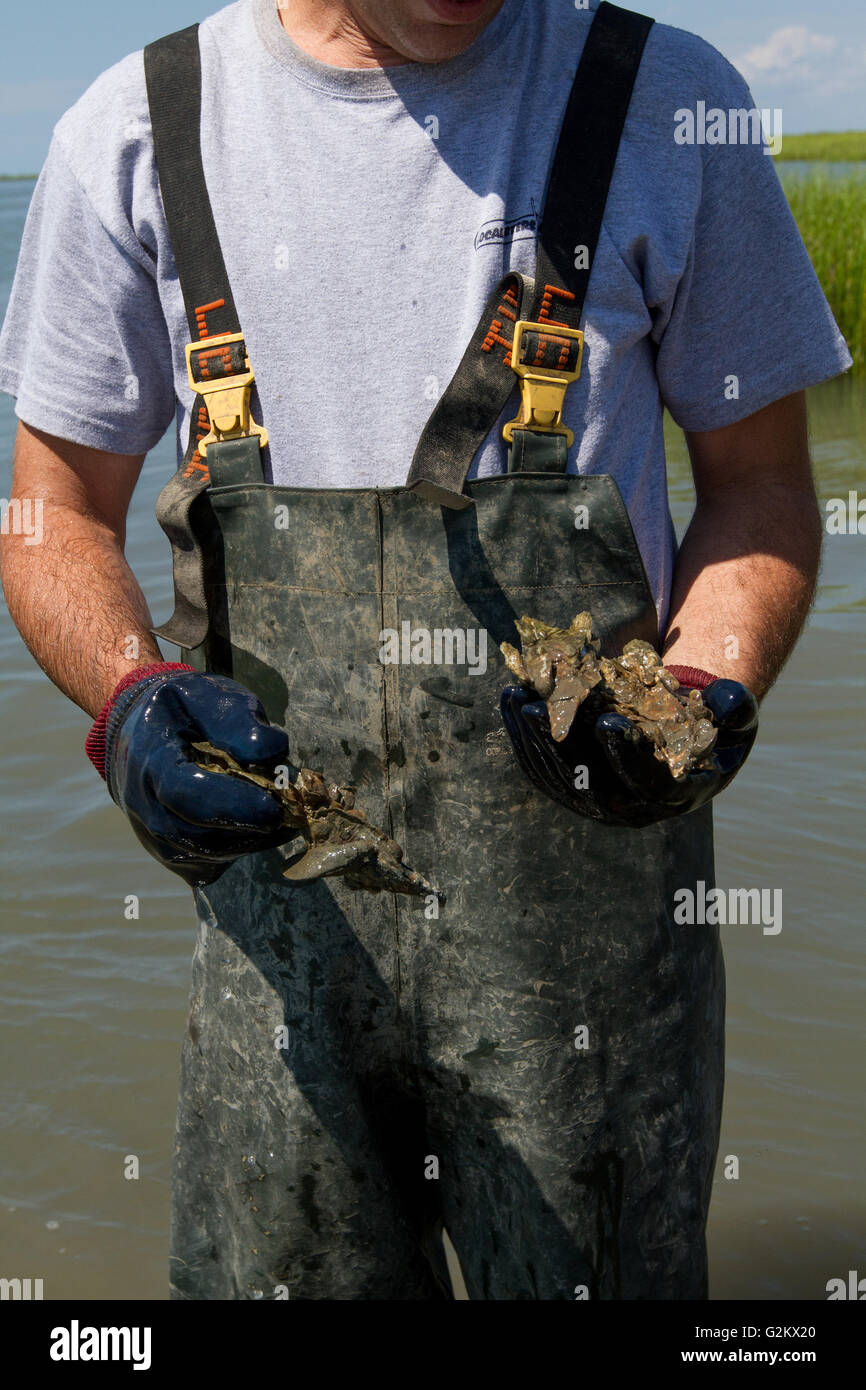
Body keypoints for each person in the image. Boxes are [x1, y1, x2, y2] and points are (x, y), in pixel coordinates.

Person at [0, 0, 850, 1301]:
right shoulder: (136, 129)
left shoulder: (669, 103)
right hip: (282, 967)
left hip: (596, 986)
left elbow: (762, 491)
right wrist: (131, 702)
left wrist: (696, 693)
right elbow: (52, 509)